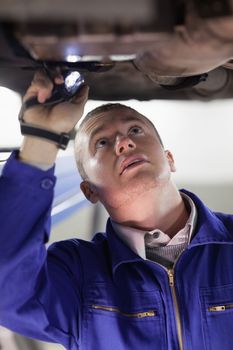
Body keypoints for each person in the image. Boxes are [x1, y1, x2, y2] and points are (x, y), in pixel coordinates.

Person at [0, 72, 233, 350]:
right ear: (90, 191)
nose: (124, 143)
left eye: (135, 130)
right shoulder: (80, 274)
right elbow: (8, 291)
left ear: (169, 158)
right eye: (102, 143)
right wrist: (42, 137)